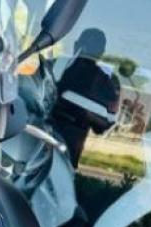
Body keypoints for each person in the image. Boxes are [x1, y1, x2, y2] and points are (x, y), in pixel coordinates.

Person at [51, 28, 121, 166]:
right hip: (40, 135)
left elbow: (105, 124)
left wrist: (86, 114)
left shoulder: (105, 83)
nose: (84, 52)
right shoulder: (55, 65)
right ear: (102, 54)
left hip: (69, 146)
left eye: (90, 49)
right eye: (84, 47)